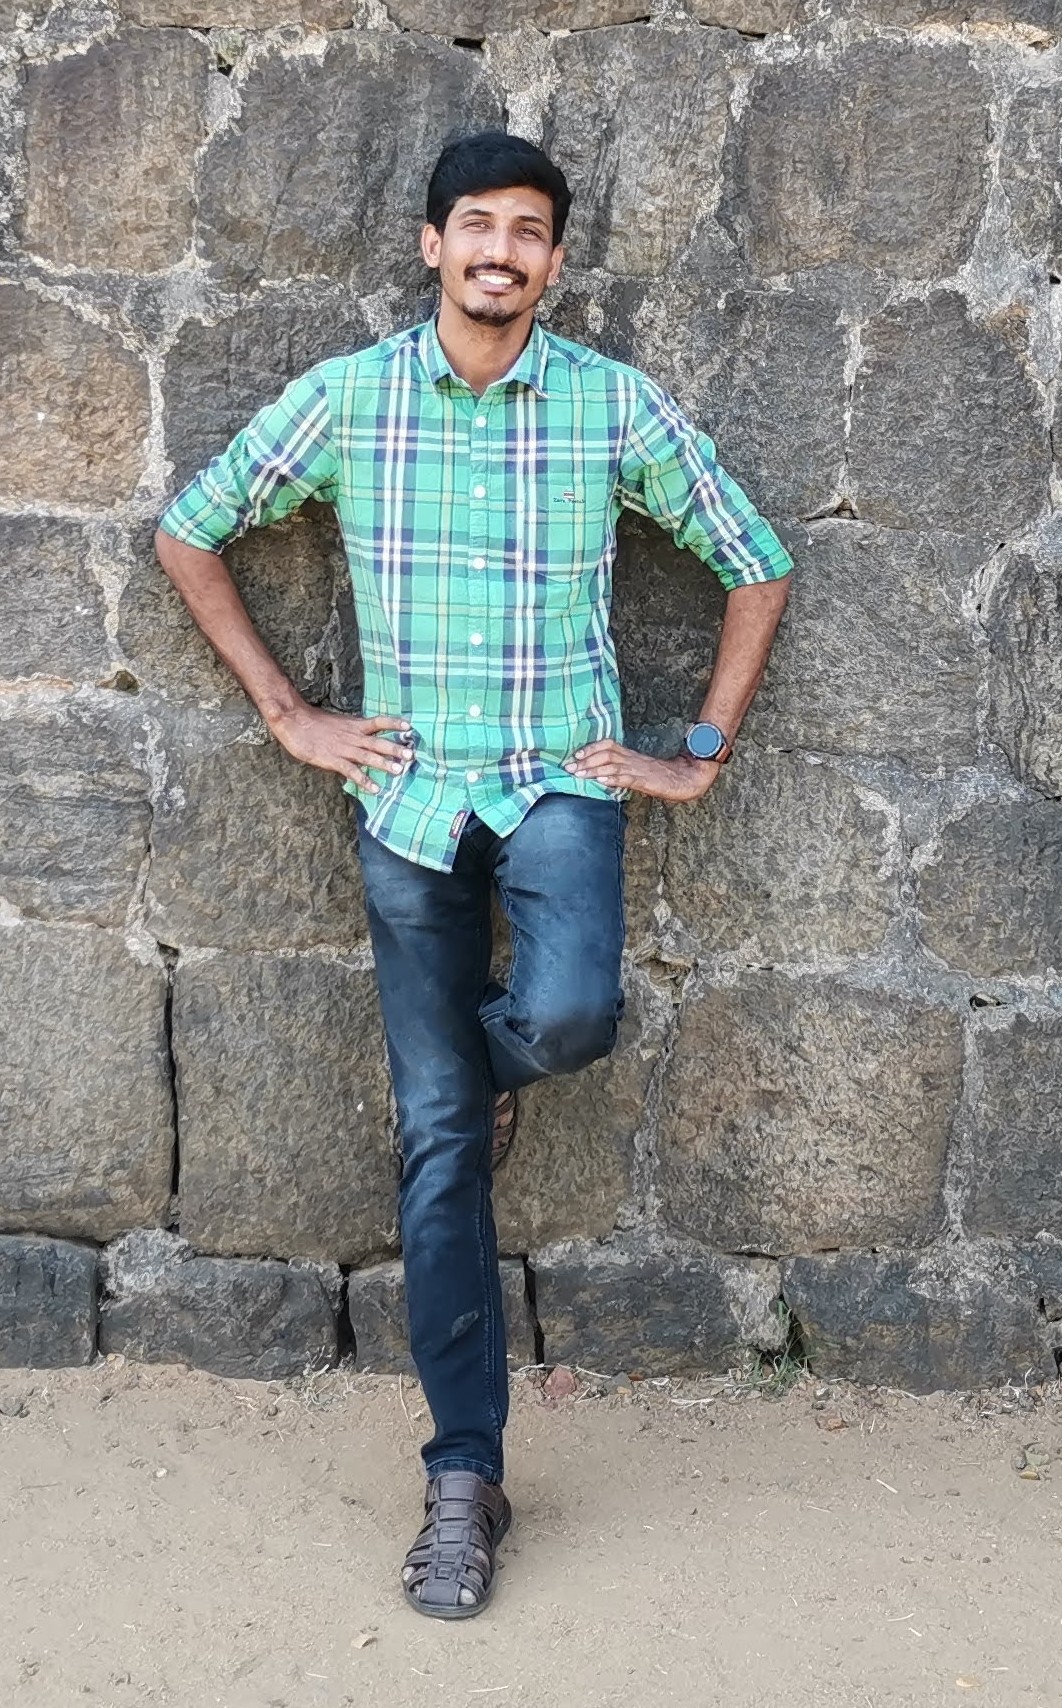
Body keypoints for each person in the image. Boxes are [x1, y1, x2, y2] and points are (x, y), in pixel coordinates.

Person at [155, 129, 793, 1621]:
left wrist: (698, 746)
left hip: (562, 778)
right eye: (478, 225)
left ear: (554, 261)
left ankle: (483, 1069)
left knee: (567, 1017)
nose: (501, 250)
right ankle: (463, 1479)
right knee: (437, 1142)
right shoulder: (349, 398)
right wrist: (290, 715)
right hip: (405, 795)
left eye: (529, 230)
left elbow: (756, 559)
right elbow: (190, 531)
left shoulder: (611, 405)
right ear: (432, 245)